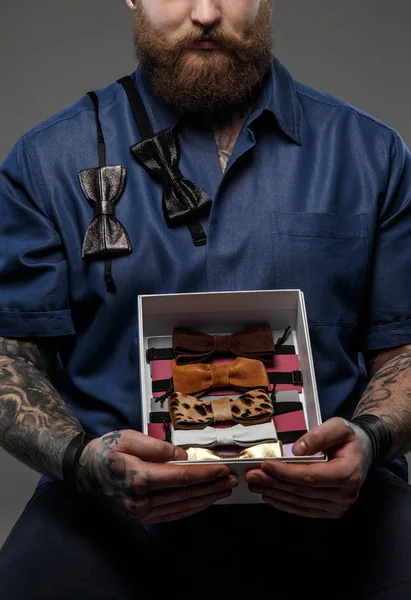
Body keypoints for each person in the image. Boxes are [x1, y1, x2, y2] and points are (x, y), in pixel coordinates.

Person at [1, 0, 411, 598]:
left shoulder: (373, 153)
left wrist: (370, 440)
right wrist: (86, 462)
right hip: (109, 508)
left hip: (336, 499)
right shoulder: (47, 161)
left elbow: (404, 346)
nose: (206, 12)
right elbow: (9, 353)